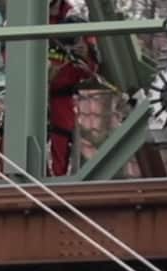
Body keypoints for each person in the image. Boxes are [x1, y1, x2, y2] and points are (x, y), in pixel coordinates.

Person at [44, 0, 99, 177]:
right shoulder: (22, 19)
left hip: (61, 99)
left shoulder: (74, 17)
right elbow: (11, 61)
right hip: (27, 97)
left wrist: (83, 53)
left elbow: (90, 68)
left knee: (62, 144)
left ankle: (59, 184)